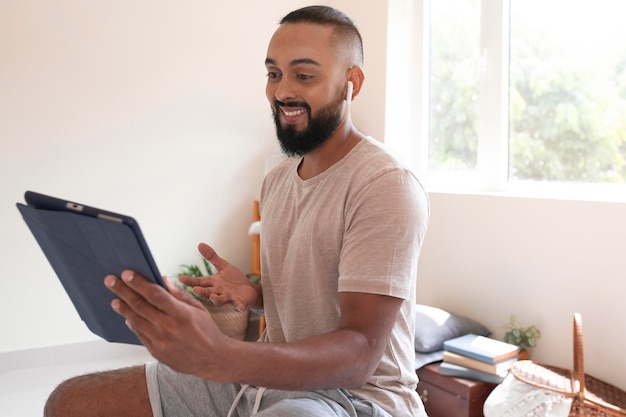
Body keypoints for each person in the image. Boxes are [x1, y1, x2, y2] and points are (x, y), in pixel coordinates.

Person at [44, 5, 429, 417]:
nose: (282, 93)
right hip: (268, 381)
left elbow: (359, 354)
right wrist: (256, 295)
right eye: (273, 73)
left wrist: (221, 355)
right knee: (72, 401)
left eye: (304, 75)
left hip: (358, 398)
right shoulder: (278, 179)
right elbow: (311, 305)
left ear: (351, 82)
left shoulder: (384, 183)